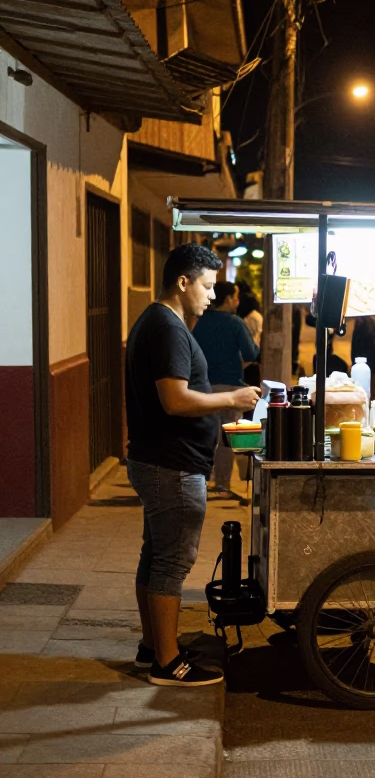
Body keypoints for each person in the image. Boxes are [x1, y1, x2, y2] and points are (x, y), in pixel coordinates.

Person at [125, 244, 260, 687]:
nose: (210, 294)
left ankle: (152, 647)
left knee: (156, 554)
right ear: (183, 282)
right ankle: (167, 663)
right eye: (205, 285)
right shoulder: (167, 327)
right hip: (172, 465)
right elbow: (175, 399)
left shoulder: (159, 321)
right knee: (171, 563)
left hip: (160, 460)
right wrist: (233, 398)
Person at [192, 281, 259, 490]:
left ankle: (202, 480)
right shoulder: (235, 323)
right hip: (230, 389)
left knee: (206, 436)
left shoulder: (200, 322)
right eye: (236, 296)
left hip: (203, 389)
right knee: (227, 437)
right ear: (228, 299)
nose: (238, 301)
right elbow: (251, 353)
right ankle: (222, 484)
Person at [351, 315, 375, 400]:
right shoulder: (373, 323)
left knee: (369, 394)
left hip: (370, 364)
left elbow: (357, 347)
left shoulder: (363, 324)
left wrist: (355, 363)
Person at [237, 291, 263, 387]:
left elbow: (253, 336)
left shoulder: (252, 317)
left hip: (251, 354)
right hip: (252, 353)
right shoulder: (254, 315)